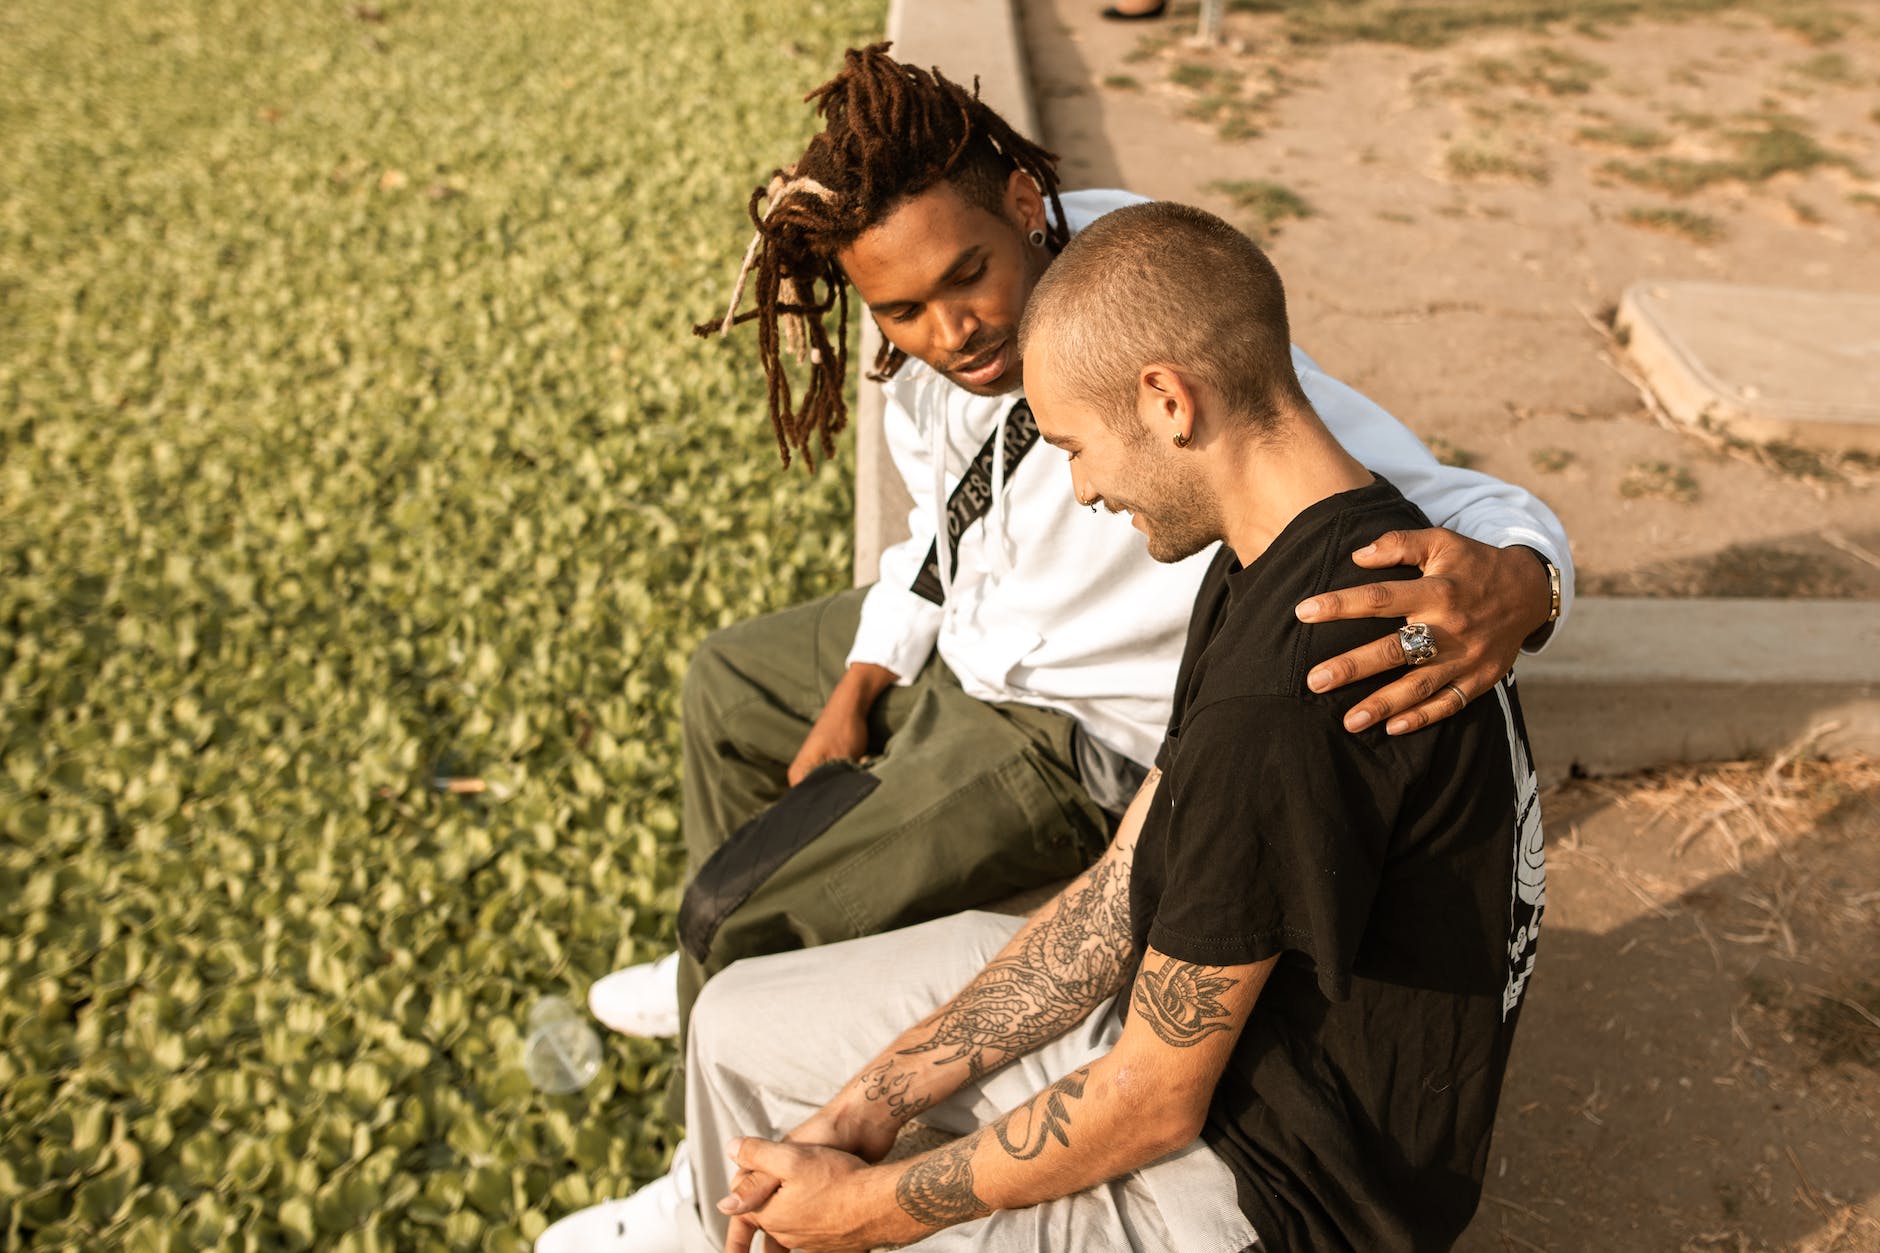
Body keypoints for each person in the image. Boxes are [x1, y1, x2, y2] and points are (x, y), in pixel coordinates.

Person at [546, 44, 1568, 1248]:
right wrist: (871, 1102)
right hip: (1133, 913)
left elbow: (1146, 1099)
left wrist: (862, 1209)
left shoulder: (1294, 672)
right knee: (737, 1017)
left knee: (758, 940)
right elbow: (1108, 902)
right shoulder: (1251, 559)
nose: (1076, 486)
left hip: (1261, 1192)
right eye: (901, 310)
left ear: (1165, 401)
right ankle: (720, 1152)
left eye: (1072, 446)